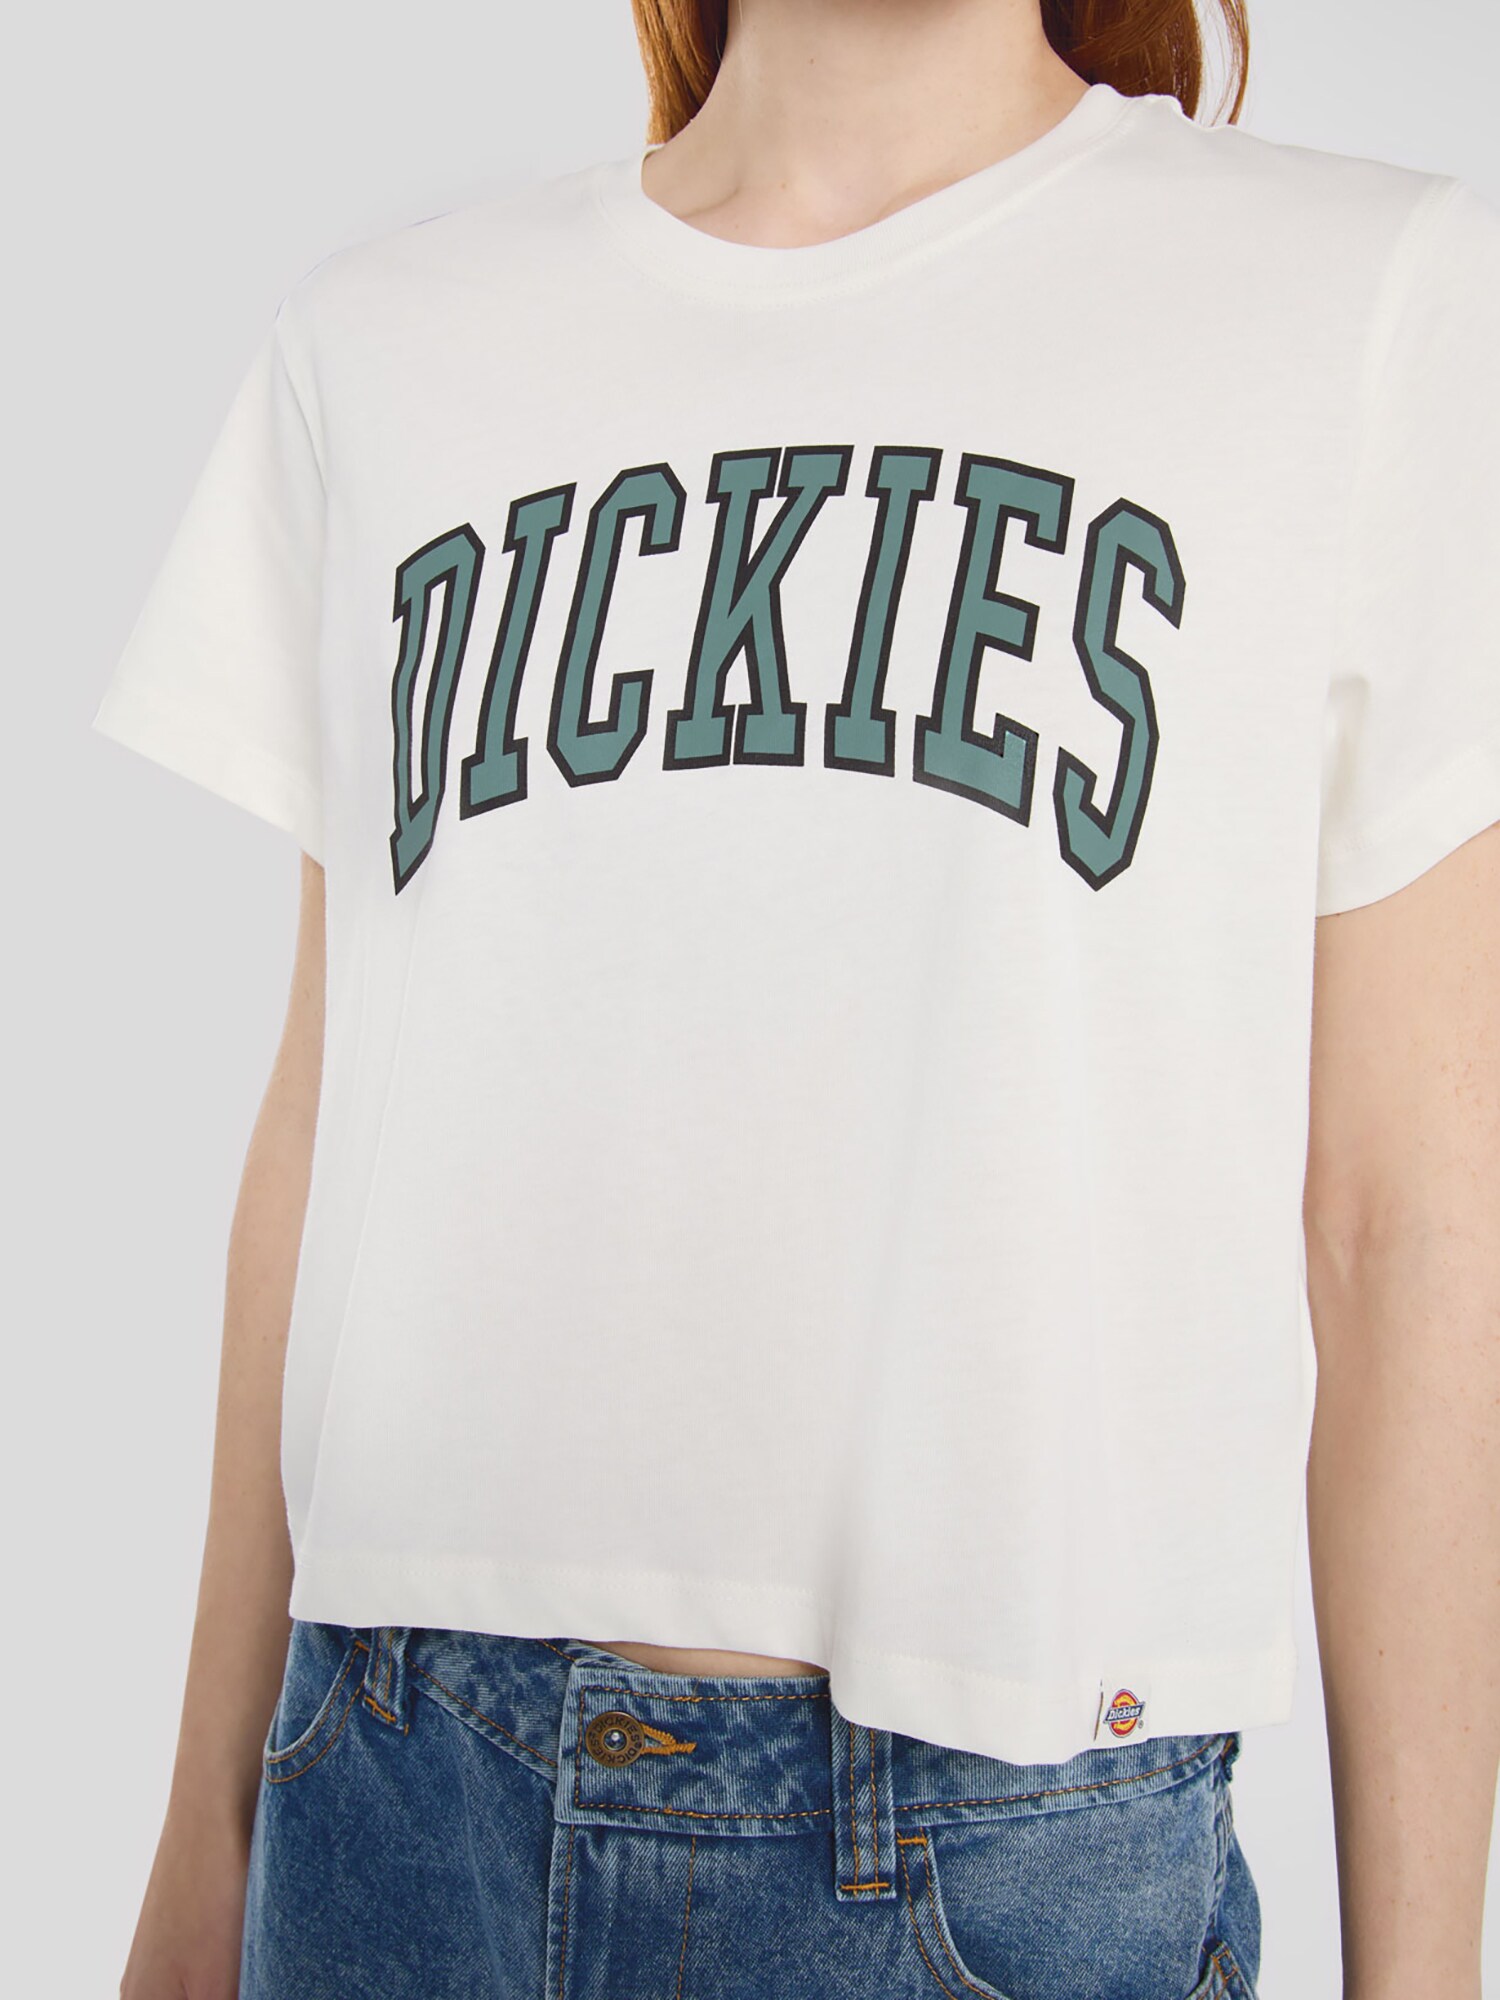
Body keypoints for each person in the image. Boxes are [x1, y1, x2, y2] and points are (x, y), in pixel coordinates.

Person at [94, 0, 1500, 1993]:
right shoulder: (390, 341)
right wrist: (204, 1836)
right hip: (395, 1800)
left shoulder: (1358, 296)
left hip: (1001, 1843)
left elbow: (1408, 1221)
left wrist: (1422, 1972)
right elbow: (324, 1124)